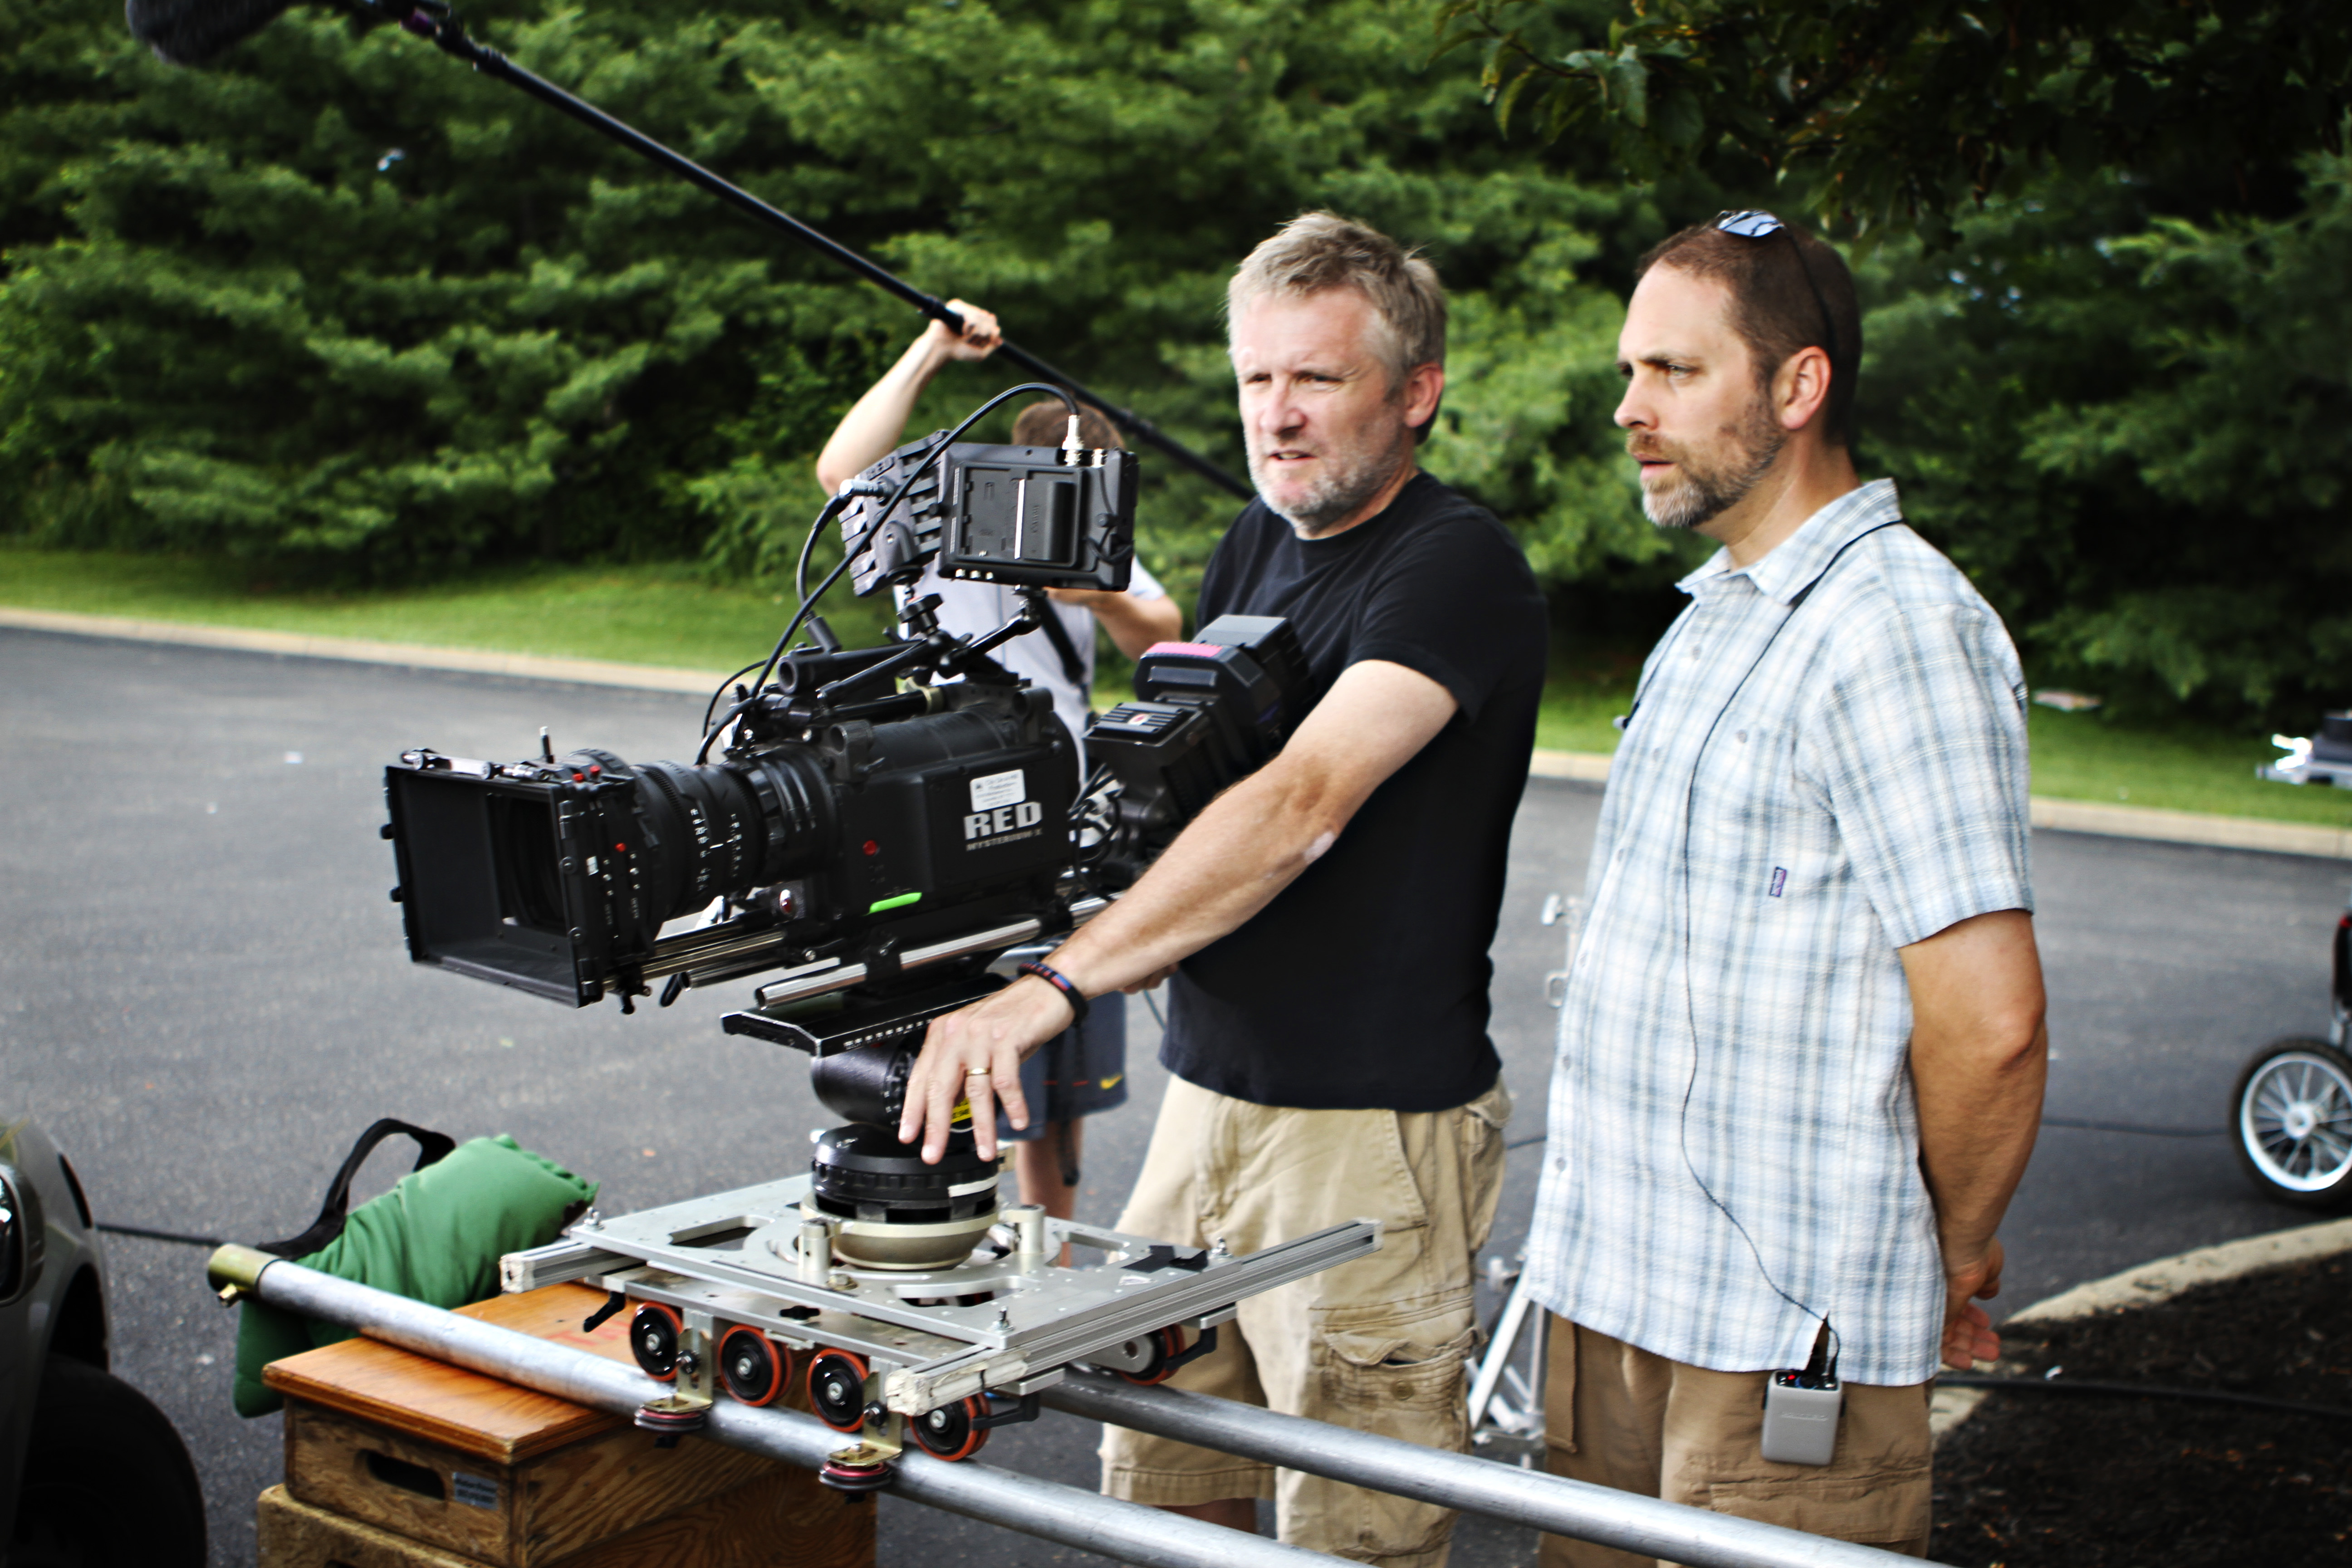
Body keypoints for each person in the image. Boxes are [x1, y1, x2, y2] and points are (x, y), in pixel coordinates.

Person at [896, 212, 1549, 1566]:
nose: (1279, 415)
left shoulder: (1456, 567)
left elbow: (1300, 805)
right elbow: (1182, 787)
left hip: (1369, 1137)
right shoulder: (1256, 541)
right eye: (1257, 379)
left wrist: (1055, 986)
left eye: (1317, 379)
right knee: (1163, 1487)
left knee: (1352, 1532)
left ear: (1413, 392)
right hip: (1210, 1104)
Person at [1521, 213, 2048, 1565]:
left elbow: (1990, 1023)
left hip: (1779, 1348)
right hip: (1614, 1297)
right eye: (1630, 372)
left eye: (1675, 374)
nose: (1630, 411)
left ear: (1798, 388)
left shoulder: (1899, 631)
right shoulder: (1716, 615)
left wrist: (1958, 1255)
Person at [813, 300, 1182, 1220]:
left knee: (1057, 1039)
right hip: (933, 790)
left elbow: (1162, 631)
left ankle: (1046, 1237)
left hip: (1050, 799)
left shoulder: (1092, 536)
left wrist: (1089, 587)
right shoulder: (939, 517)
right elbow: (840, 472)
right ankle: (932, 1220)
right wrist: (931, 350)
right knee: (935, 1019)